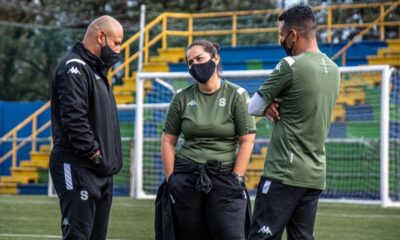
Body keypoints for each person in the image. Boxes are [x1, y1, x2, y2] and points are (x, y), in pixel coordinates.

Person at [247, 5, 340, 240]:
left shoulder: (290, 65)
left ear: (293, 35)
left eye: (281, 35)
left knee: (261, 237)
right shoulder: (334, 69)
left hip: (284, 172)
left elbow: (252, 107)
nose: (281, 40)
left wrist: (269, 103)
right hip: (315, 173)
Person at [156, 39, 256, 240]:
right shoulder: (181, 98)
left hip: (225, 178)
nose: (195, 65)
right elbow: (168, 140)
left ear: (215, 59)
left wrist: (236, 178)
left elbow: (247, 141)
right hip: (186, 178)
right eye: (190, 62)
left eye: (199, 59)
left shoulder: (237, 95)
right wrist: (171, 179)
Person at [49, 15, 123, 240]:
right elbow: (74, 118)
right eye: (116, 43)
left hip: (100, 172)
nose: (119, 50)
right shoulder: (75, 68)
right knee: (78, 236)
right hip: (78, 166)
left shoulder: (97, 72)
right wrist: (94, 153)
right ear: (101, 37)